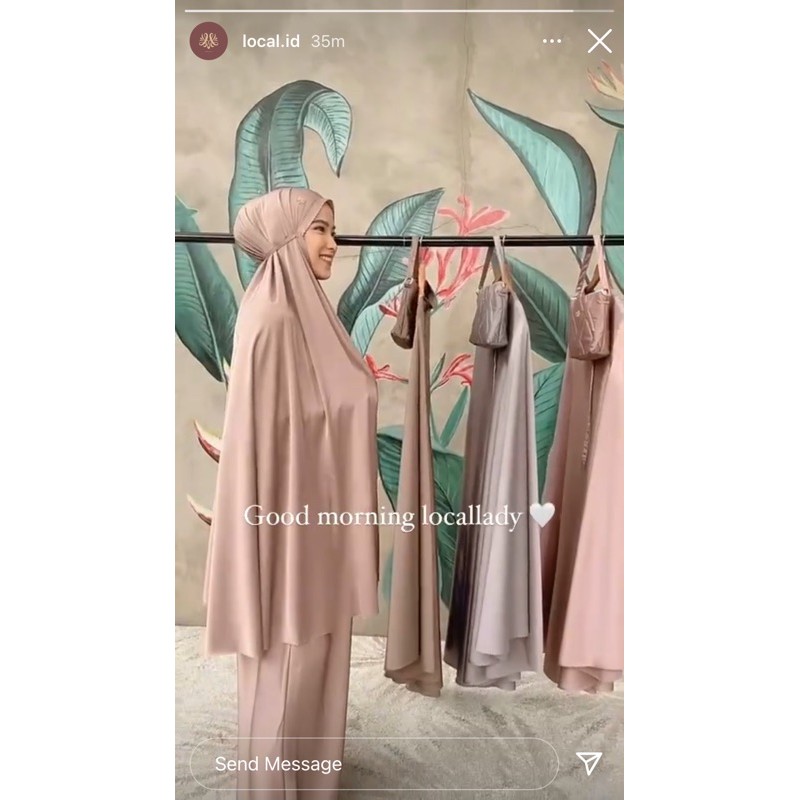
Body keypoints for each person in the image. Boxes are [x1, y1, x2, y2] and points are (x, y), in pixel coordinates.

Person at [203, 187, 380, 798]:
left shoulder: (309, 319)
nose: (334, 243)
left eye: (333, 229)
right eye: (320, 230)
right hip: (288, 542)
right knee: (287, 668)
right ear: (284, 238)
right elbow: (261, 449)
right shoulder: (272, 322)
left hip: (319, 529)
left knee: (317, 667)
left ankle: (310, 784)